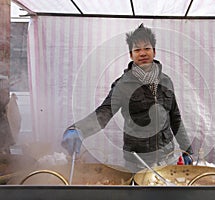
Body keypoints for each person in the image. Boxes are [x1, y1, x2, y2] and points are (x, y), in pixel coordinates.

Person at [61, 24, 194, 171]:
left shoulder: (166, 81)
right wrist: (79, 129)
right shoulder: (123, 85)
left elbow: (175, 118)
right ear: (131, 55)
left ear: (154, 52)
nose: (142, 53)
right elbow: (105, 112)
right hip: (138, 161)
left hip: (167, 157)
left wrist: (187, 149)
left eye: (147, 48)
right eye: (137, 50)